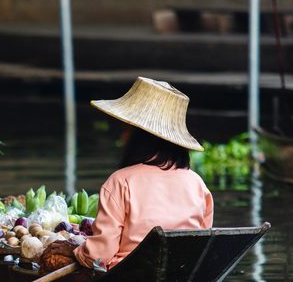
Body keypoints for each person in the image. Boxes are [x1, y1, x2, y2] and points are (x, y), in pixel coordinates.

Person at [40, 77, 214, 270]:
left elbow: (99, 256)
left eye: (126, 129)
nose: (122, 138)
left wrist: (76, 248)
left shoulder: (120, 182)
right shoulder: (197, 184)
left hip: (129, 275)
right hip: (182, 273)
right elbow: (201, 244)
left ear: (139, 137)